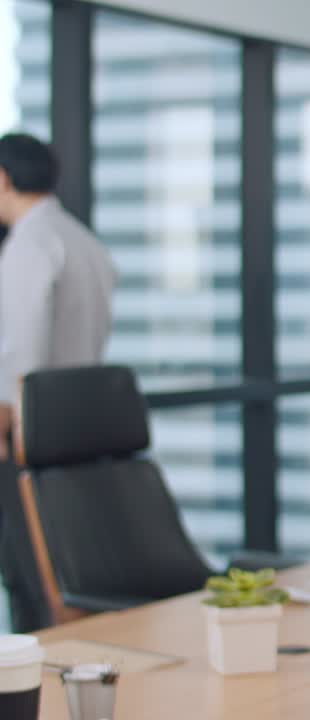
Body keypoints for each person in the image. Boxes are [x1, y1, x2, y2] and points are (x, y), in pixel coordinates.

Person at [0, 133, 116, 632]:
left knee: (31, 574)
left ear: (3, 179)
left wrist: (4, 410)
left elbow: (20, 347)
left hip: (31, 434)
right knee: (74, 565)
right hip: (82, 427)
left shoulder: (29, 244)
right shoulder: (82, 239)